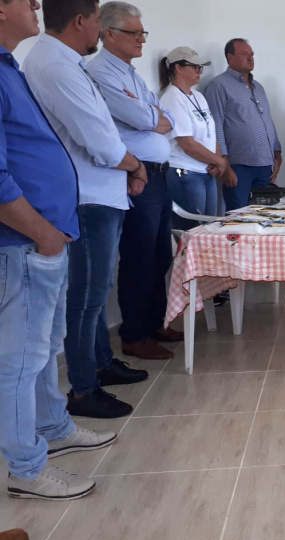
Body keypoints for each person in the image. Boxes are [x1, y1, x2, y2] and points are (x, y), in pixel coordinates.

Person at [2, 0, 116, 501]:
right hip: (24, 241)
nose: (35, 5)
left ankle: (52, 426)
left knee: (45, 346)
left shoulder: (11, 66)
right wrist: (42, 232)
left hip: (43, 238)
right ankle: (25, 469)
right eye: (25, 0)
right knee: (20, 361)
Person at [23, 0, 150, 419]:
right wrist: (134, 164)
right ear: (81, 20)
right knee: (87, 296)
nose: (99, 30)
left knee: (97, 290)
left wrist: (127, 163)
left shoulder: (66, 61)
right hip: (88, 195)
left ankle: (99, 362)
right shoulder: (56, 65)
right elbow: (98, 139)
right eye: (98, 21)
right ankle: (83, 388)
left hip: (101, 191)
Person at [86, 1, 182, 361]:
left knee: (160, 253)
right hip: (135, 174)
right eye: (134, 33)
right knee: (139, 255)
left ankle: (154, 322)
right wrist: (148, 114)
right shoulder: (100, 72)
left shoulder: (131, 73)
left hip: (158, 174)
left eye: (144, 33)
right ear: (108, 33)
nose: (142, 39)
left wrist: (149, 113)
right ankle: (135, 334)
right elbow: (144, 118)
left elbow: (165, 118)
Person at [204, 38, 282, 211]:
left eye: (252, 54)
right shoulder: (218, 85)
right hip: (238, 167)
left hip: (264, 165)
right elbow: (215, 126)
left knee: (265, 217)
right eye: (244, 54)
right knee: (239, 218)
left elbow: (267, 120)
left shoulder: (258, 87)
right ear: (230, 58)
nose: (250, 58)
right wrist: (225, 165)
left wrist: (277, 152)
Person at [158, 47, 226, 227]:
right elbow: (187, 144)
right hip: (185, 172)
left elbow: (211, 132)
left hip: (206, 170)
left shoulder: (198, 96)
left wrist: (217, 159)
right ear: (178, 68)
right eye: (195, 67)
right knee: (193, 229)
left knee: (210, 226)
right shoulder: (172, 98)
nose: (200, 72)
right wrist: (219, 162)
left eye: (201, 68)